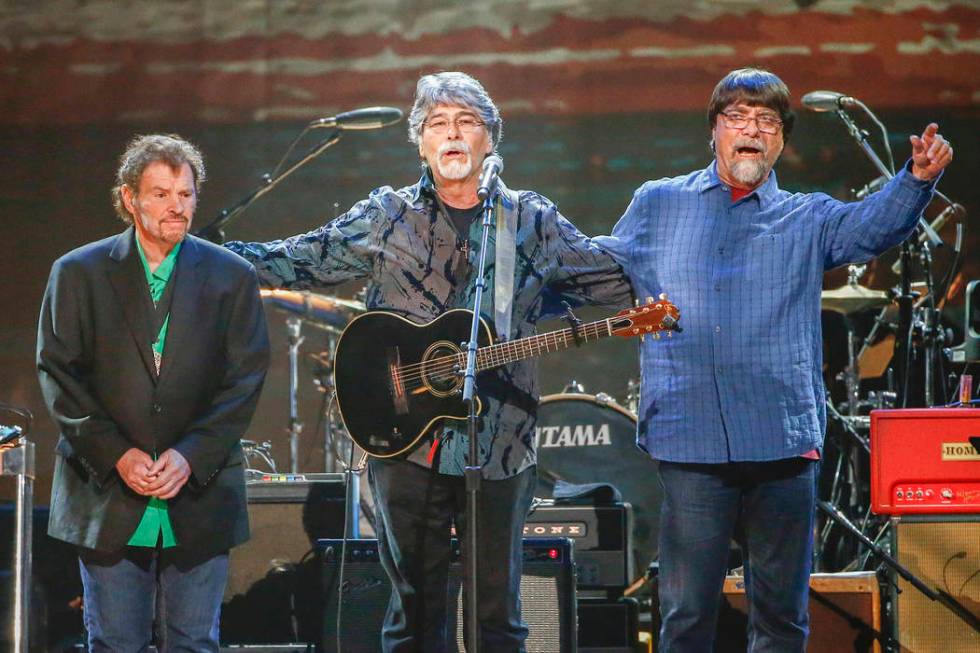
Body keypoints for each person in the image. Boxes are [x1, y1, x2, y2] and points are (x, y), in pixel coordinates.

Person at [225, 71, 632, 651]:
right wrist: (209, 255)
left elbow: (609, 284)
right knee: (414, 612)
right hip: (404, 440)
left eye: (467, 122)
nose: (453, 134)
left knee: (499, 616)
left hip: (500, 442)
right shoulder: (387, 215)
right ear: (420, 141)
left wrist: (543, 300)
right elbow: (300, 260)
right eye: (438, 124)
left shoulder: (529, 220)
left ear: (490, 139)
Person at [594, 68, 952, 652]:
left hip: (782, 440)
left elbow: (872, 227)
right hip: (690, 439)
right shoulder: (658, 204)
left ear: (781, 139)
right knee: (685, 615)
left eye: (766, 121)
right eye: (737, 117)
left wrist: (915, 180)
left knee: (781, 617)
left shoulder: (805, 217)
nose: (751, 130)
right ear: (714, 131)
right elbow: (599, 268)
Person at [37, 134, 271, 652]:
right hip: (107, 493)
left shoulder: (231, 276)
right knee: (115, 641)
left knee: (193, 642)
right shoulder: (78, 273)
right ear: (129, 199)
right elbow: (60, 375)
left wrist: (190, 456)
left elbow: (245, 380)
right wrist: (117, 454)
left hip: (200, 492)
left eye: (185, 195)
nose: (176, 207)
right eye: (161, 194)